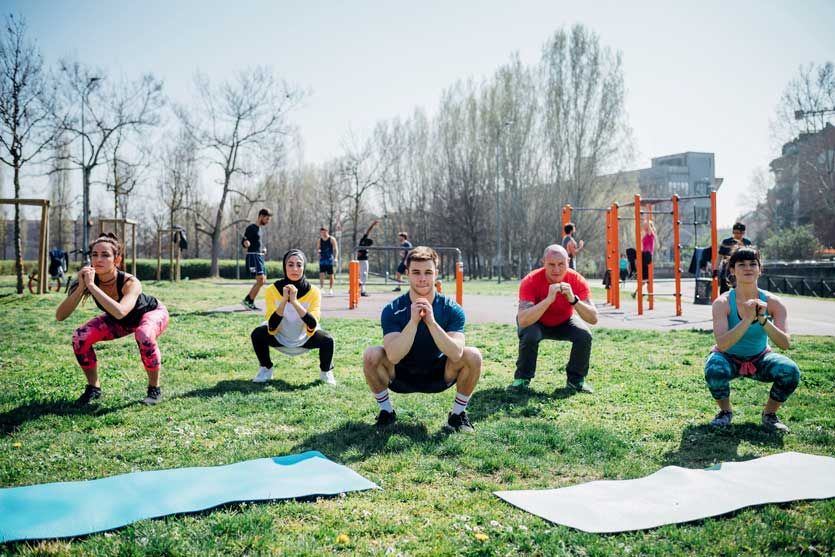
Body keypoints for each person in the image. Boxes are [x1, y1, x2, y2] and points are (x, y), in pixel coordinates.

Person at [362, 246, 482, 432]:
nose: (422, 278)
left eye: (428, 272)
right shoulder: (392, 309)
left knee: (473, 355)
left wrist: (432, 322)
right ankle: (386, 412)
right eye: (416, 272)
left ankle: (457, 415)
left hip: (438, 373)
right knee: (371, 354)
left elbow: (456, 353)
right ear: (408, 273)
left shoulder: (451, 309)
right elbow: (393, 356)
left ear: (436, 274)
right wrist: (413, 322)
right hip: (401, 373)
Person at [55, 233, 169, 405]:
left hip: (151, 313)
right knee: (80, 337)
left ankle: (154, 390)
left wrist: (92, 286)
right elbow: (60, 316)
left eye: (105, 255)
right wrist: (81, 288)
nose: (98, 259)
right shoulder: (90, 279)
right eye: (94, 255)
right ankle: (94, 388)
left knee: (144, 334)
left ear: (117, 260)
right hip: (121, 321)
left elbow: (121, 311)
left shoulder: (131, 282)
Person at [704, 247, 799, 432]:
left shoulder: (773, 302)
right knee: (714, 369)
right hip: (728, 358)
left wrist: (763, 319)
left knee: (790, 371)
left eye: (753, 264)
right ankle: (725, 412)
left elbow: (785, 343)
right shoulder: (722, 303)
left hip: (760, 358)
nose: (748, 268)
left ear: (760, 269)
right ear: (732, 270)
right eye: (742, 264)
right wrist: (747, 319)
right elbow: (723, 344)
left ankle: (769, 415)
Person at [509, 244, 598, 393]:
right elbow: (523, 320)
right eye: (551, 264)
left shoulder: (577, 280)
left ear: (568, 262)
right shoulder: (531, 280)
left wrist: (573, 300)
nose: (556, 270)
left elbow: (594, 318)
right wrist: (548, 300)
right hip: (536, 322)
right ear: (543, 262)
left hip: (565, 321)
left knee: (584, 335)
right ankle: (522, 379)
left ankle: (576, 380)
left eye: (561, 264)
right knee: (530, 334)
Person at [250, 249, 336, 386]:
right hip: (279, 336)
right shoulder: (271, 290)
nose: (295, 269)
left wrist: (295, 302)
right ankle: (266, 369)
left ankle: (326, 372)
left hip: (304, 337)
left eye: (299, 265)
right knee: (257, 334)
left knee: (327, 340)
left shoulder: (313, 291)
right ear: (284, 266)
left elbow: (312, 325)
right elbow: (271, 327)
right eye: (290, 265)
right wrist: (284, 301)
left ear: (304, 267)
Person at [241, 208, 272, 310]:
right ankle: (249, 301)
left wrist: (263, 249)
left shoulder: (259, 229)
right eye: (267, 219)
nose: (268, 221)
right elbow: (244, 241)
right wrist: (246, 244)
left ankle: (248, 300)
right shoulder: (251, 228)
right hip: (253, 256)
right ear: (261, 216)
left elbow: (257, 243)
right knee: (261, 279)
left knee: (262, 280)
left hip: (259, 255)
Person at [718, 222, 753, 294]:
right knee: (723, 293)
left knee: (740, 293)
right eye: (736, 232)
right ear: (733, 232)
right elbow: (719, 257)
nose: (738, 235)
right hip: (727, 270)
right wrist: (715, 269)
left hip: (741, 271)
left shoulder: (747, 242)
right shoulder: (726, 242)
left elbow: (751, 258)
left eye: (740, 233)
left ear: (743, 233)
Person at [631, 220, 657, 299]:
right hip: (644, 255)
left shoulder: (650, 234)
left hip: (647, 255)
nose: (644, 227)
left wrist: (647, 216)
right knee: (646, 279)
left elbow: (649, 227)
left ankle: (647, 296)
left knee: (647, 279)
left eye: (646, 226)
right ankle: (648, 296)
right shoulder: (646, 234)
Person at [357, 220, 380, 297]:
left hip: (359, 261)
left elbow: (368, 231)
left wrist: (372, 225)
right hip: (363, 261)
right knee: (364, 275)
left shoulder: (362, 240)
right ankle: (362, 290)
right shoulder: (364, 247)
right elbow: (359, 253)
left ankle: (358, 288)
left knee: (360, 275)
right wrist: (372, 225)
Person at [317, 226, 338, 296]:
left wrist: (335, 258)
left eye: (324, 232)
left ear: (327, 231)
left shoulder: (332, 239)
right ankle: (322, 288)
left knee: (331, 274)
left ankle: (330, 289)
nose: (323, 233)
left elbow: (335, 249)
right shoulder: (320, 240)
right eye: (322, 232)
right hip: (322, 259)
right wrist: (319, 253)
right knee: (321, 274)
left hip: (329, 259)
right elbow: (318, 249)